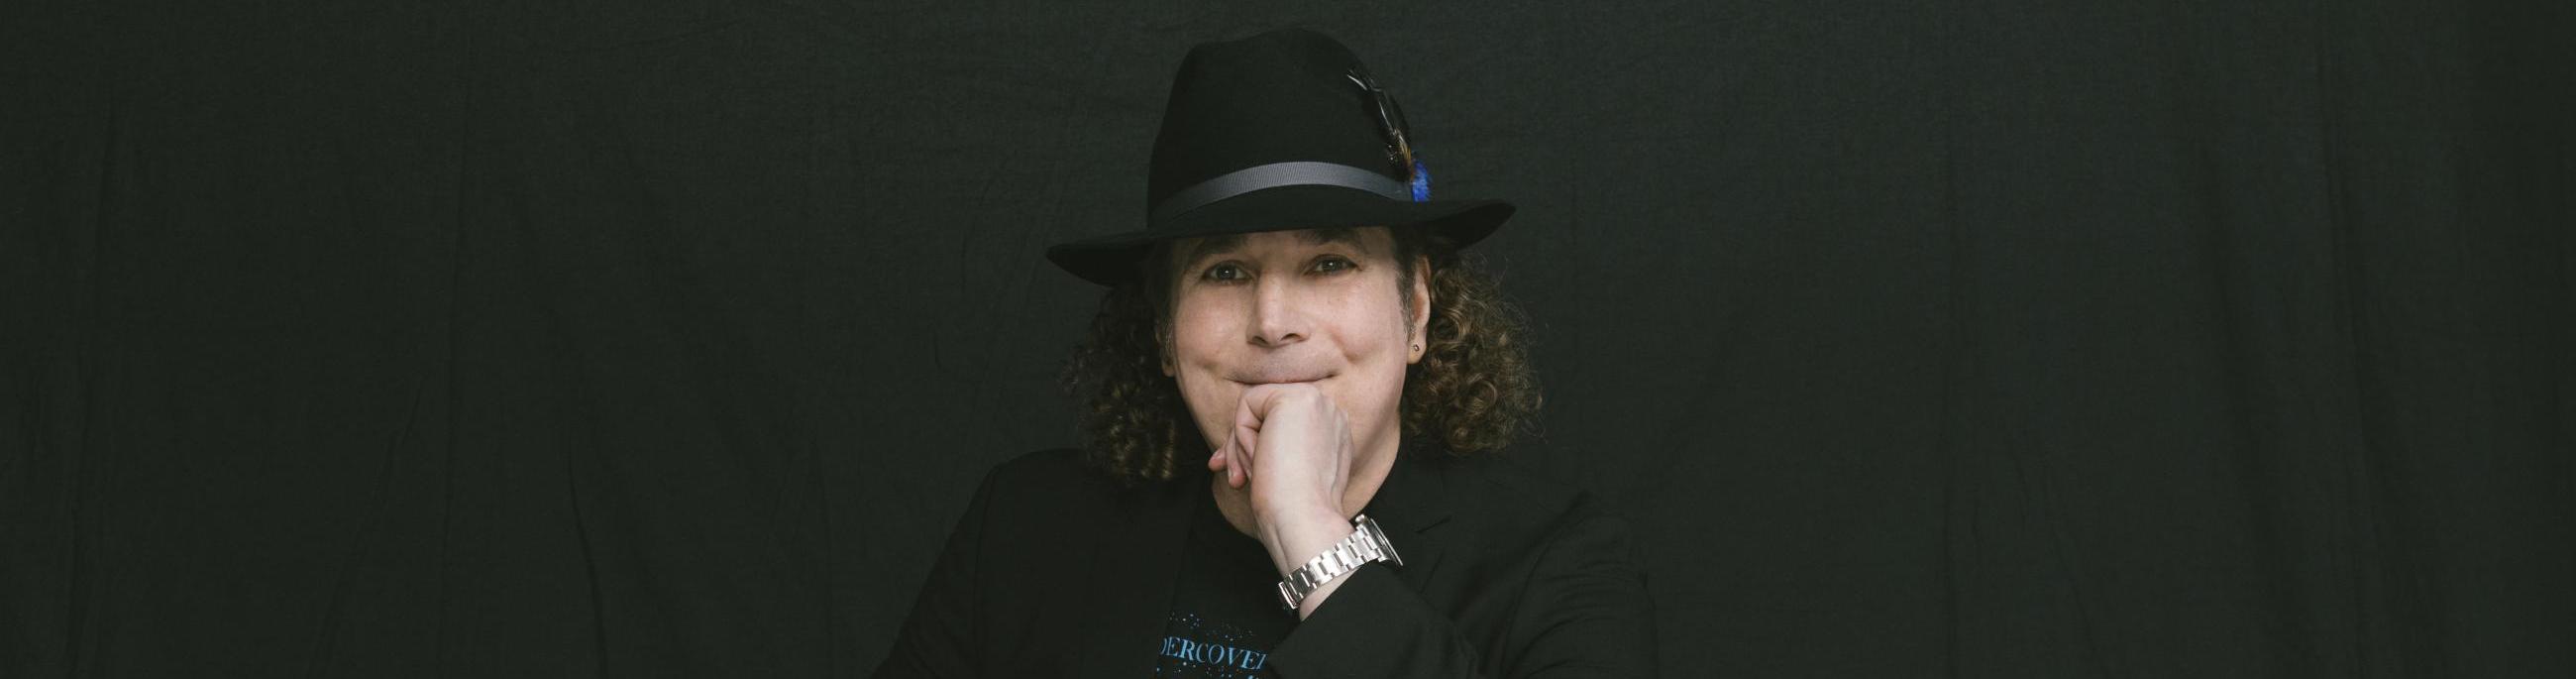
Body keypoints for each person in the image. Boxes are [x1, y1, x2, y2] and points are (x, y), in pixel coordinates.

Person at [871, 28, 1656, 678]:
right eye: (1225, 271)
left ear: (1415, 309)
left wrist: (1310, 531)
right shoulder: (1023, 530)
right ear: (1163, 333)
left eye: (1329, 263)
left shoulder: (1558, 563)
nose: (1273, 320)